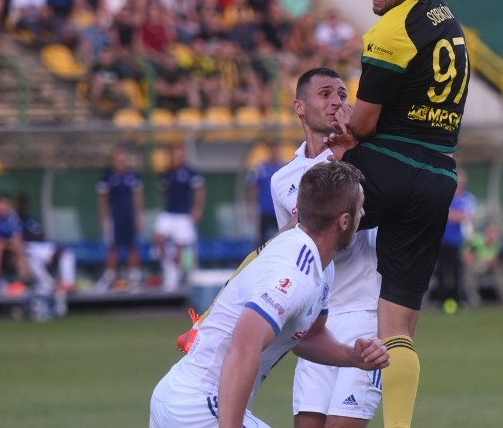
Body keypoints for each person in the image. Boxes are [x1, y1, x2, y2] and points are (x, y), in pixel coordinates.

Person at [325, 0, 470, 428]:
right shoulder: (443, 14)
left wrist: (344, 128)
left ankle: (216, 325)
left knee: (296, 231)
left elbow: (362, 124)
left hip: (387, 168)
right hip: (437, 179)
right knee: (399, 326)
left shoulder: (390, 31)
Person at [149, 161, 389, 428]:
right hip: (197, 407)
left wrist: (351, 357)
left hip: (180, 397)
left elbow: (310, 335)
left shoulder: (320, 262)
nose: (364, 212)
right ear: (345, 221)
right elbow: (243, 349)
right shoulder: (293, 277)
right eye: (361, 206)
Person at [270, 67, 382, 428]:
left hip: (366, 312)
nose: (337, 101)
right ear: (299, 107)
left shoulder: (365, 158)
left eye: (342, 95)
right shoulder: (283, 180)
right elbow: (295, 249)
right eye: (325, 94)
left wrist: (353, 147)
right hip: (317, 321)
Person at [152, 144, 206, 292]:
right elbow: (164, 189)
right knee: (159, 239)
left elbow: (200, 190)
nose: (178, 157)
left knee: (180, 248)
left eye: (180, 154)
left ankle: (177, 275)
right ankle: (168, 266)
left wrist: (197, 209)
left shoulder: (190, 172)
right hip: (169, 213)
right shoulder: (167, 173)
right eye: (176, 154)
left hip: (183, 215)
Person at [95, 146, 144, 292]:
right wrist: (103, 219)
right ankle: (109, 277)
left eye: (123, 159)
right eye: (118, 159)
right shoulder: (107, 177)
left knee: (132, 246)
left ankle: (135, 277)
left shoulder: (132, 177)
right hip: (114, 216)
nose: (121, 162)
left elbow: (137, 197)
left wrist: (138, 216)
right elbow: (102, 201)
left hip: (128, 216)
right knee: (113, 246)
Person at [434, 169, 476, 314]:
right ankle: (442, 300)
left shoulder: (467, 198)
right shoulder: (445, 195)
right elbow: (437, 211)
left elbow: (463, 216)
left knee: (457, 272)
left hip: (458, 242)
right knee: (440, 272)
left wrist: (448, 213)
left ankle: (459, 300)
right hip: (441, 239)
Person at [17, 194, 76, 297]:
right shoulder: (13, 220)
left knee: (67, 253)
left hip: (41, 246)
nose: (24, 207)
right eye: (21, 204)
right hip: (26, 248)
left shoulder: (31, 221)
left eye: (25, 204)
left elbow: (40, 235)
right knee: (30, 258)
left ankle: (68, 284)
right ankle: (50, 285)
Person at [463, 219, 503, 308]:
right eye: (491, 231)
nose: (493, 234)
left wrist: (492, 260)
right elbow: (467, 253)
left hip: (491, 266)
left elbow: (498, 258)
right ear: (487, 231)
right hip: (478, 264)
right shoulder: (477, 240)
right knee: (470, 268)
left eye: (495, 232)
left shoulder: (498, 244)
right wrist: (471, 257)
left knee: (500, 268)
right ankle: (473, 297)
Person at [247, 140, 285, 249]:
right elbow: (255, 188)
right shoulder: (261, 169)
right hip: (265, 210)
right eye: (272, 149)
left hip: (279, 210)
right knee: (260, 238)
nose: (274, 152)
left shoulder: (284, 167)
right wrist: (251, 207)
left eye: (276, 149)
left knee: (283, 237)